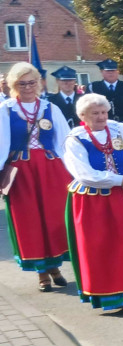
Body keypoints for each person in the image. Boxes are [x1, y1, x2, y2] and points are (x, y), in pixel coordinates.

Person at [62, 93, 123, 311]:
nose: (101, 117)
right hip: (94, 201)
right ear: (82, 116)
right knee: (102, 248)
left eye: (103, 112)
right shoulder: (75, 139)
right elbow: (85, 175)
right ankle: (110, 297)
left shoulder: (120, 129)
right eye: (95, 113)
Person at [0, 62, 72, 291]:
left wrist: (73, 172)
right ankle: (42, 272)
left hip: (51, 168)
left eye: (32, 82)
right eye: (22, 83)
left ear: (39, 83)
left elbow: (65, 141)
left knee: (54, 217)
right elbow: (1, 145)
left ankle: (55, 266)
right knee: (29, 220)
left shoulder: (50, 108)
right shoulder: (6, 110)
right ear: (14, 85)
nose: (28, 87)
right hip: (22, 171)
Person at [89, 59, 123, 124]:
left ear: (117, 72)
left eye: (113, 70)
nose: (111, 73)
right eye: (108, 71)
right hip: (101, 125)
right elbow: (88, 109)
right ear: (102, 72)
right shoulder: (94, 87)